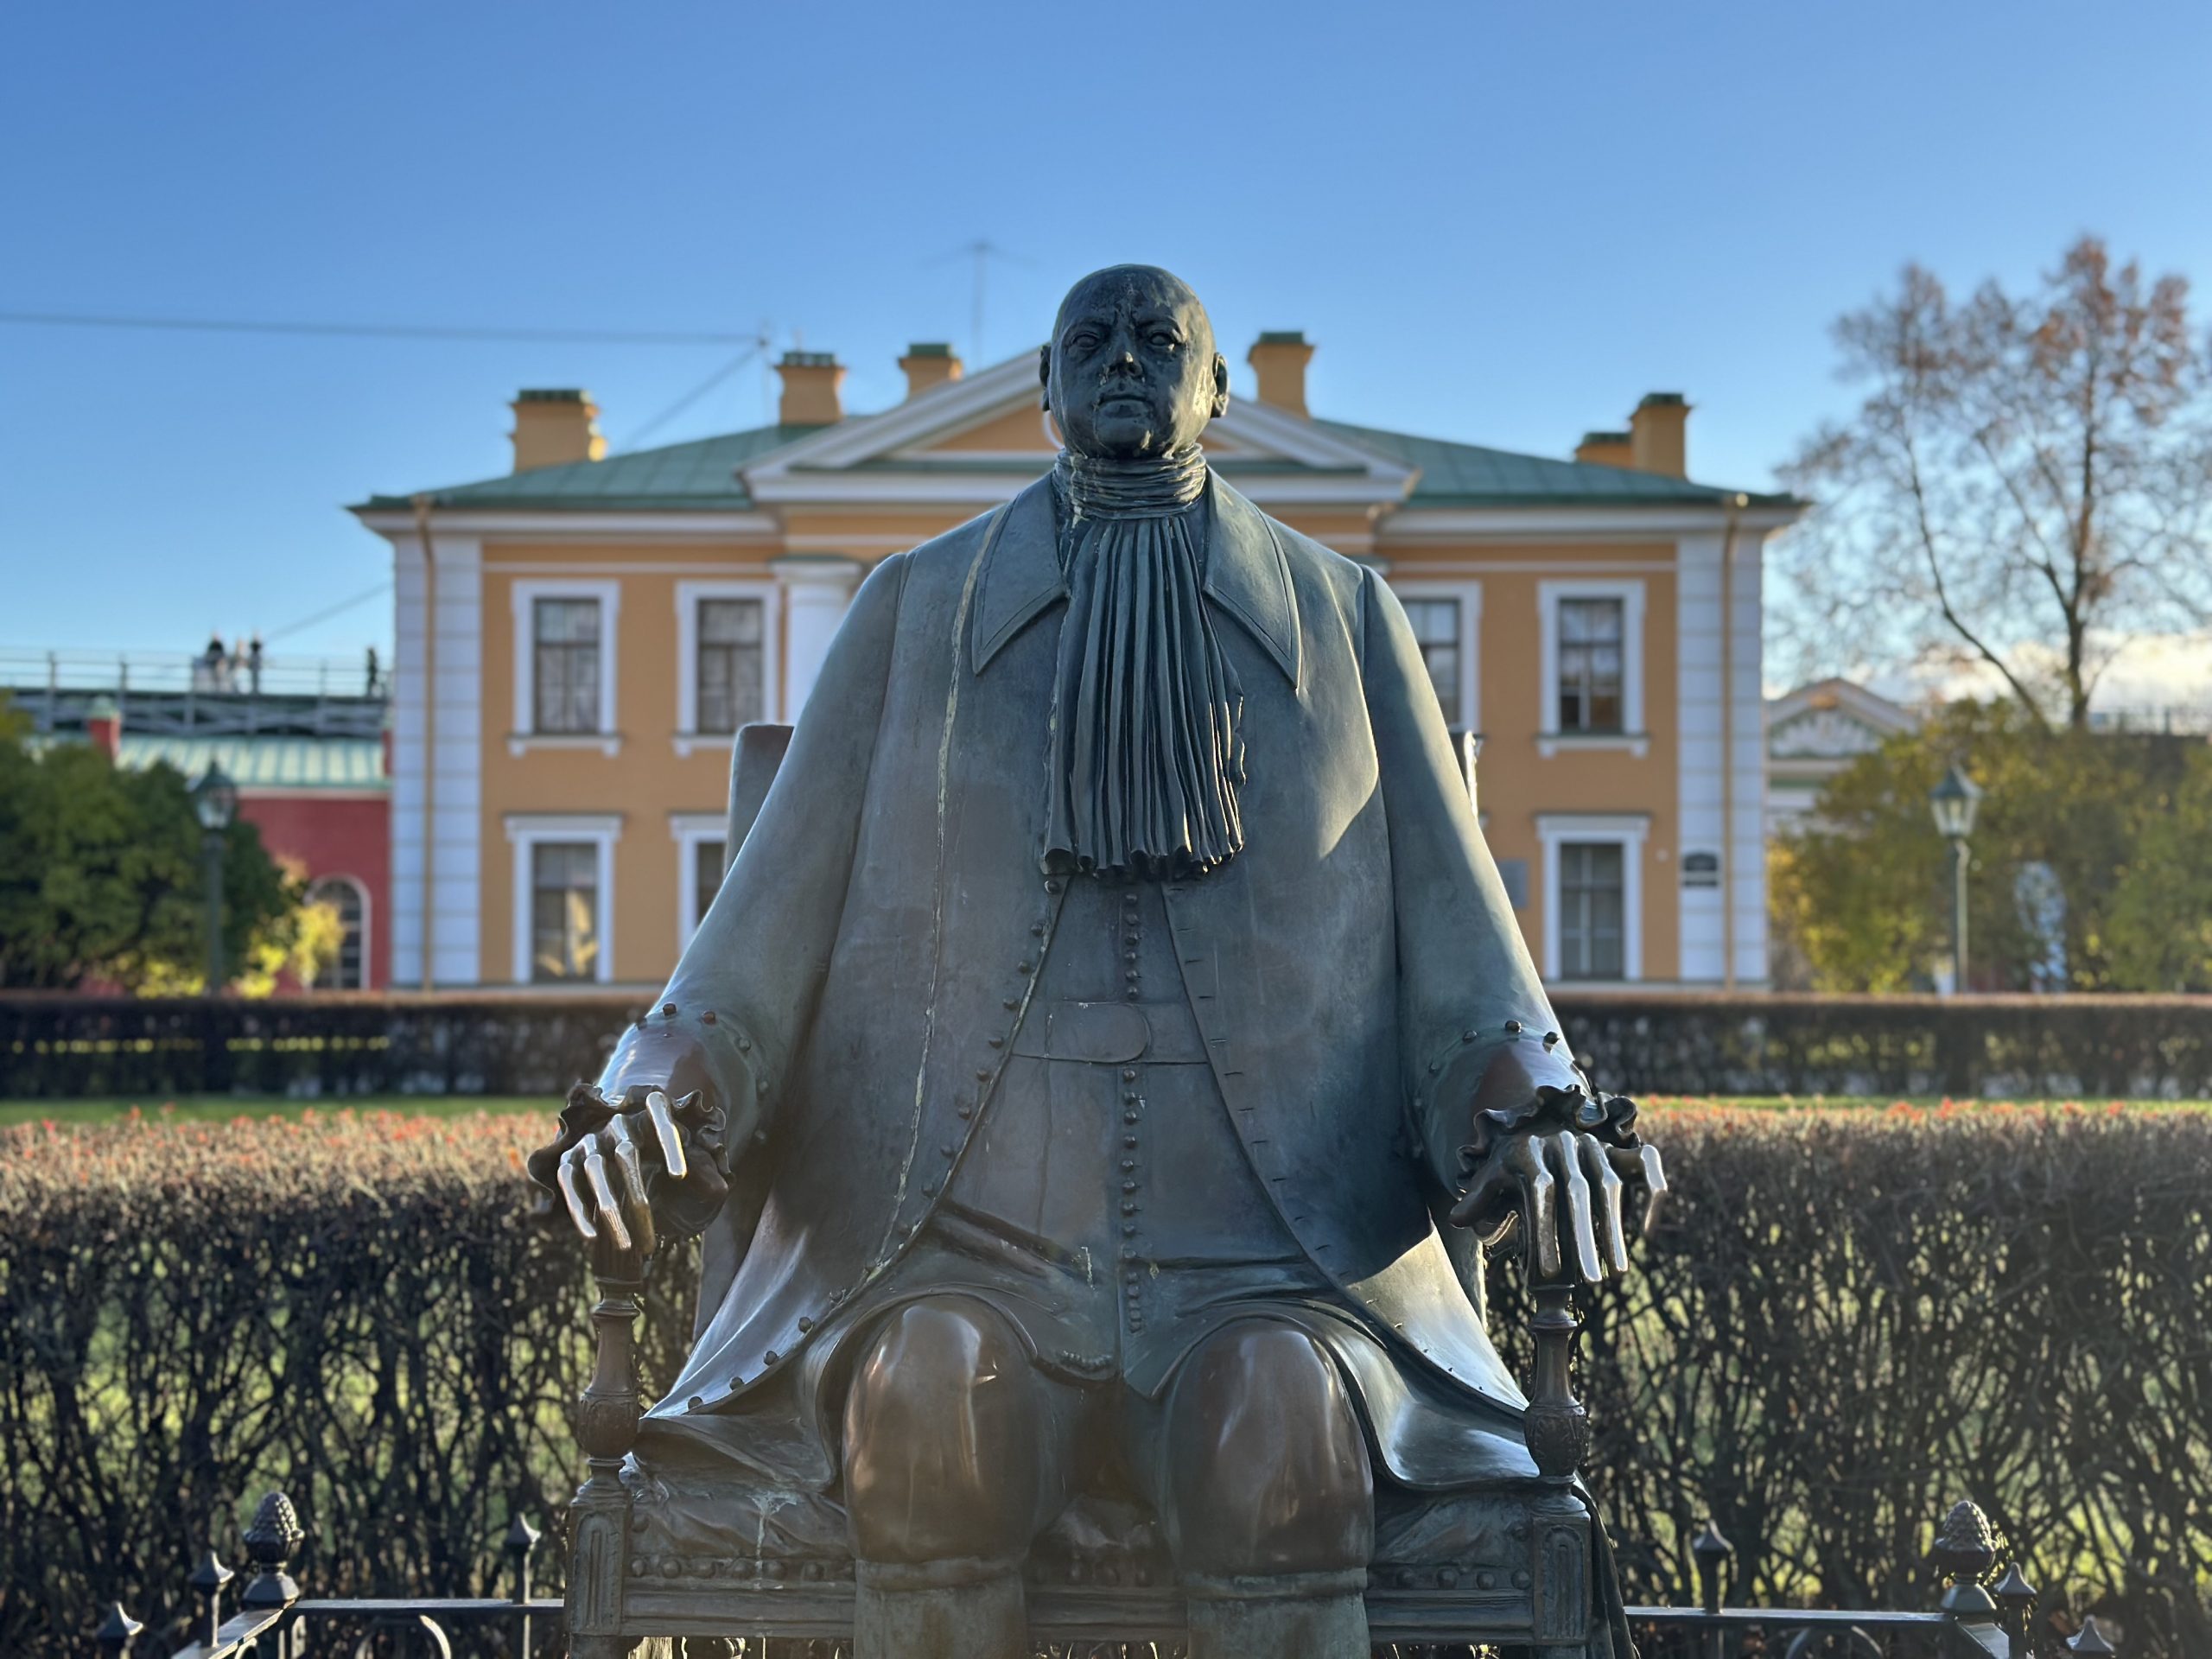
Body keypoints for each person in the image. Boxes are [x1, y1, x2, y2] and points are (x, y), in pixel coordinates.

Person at [534, 267, 1661, 1659]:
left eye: (1159, 340)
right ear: (1046, 391)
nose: (1125, 360)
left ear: (1217, 390)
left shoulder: (1348, 618)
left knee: (1279, 1440)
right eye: (1091, 341)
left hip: (1279, 1272)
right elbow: (749, 946)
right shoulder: (909, 609)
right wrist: (652, 1095)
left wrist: (1538, 1115)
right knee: (925, 1415)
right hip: (953, 1259)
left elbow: (1467, 957)